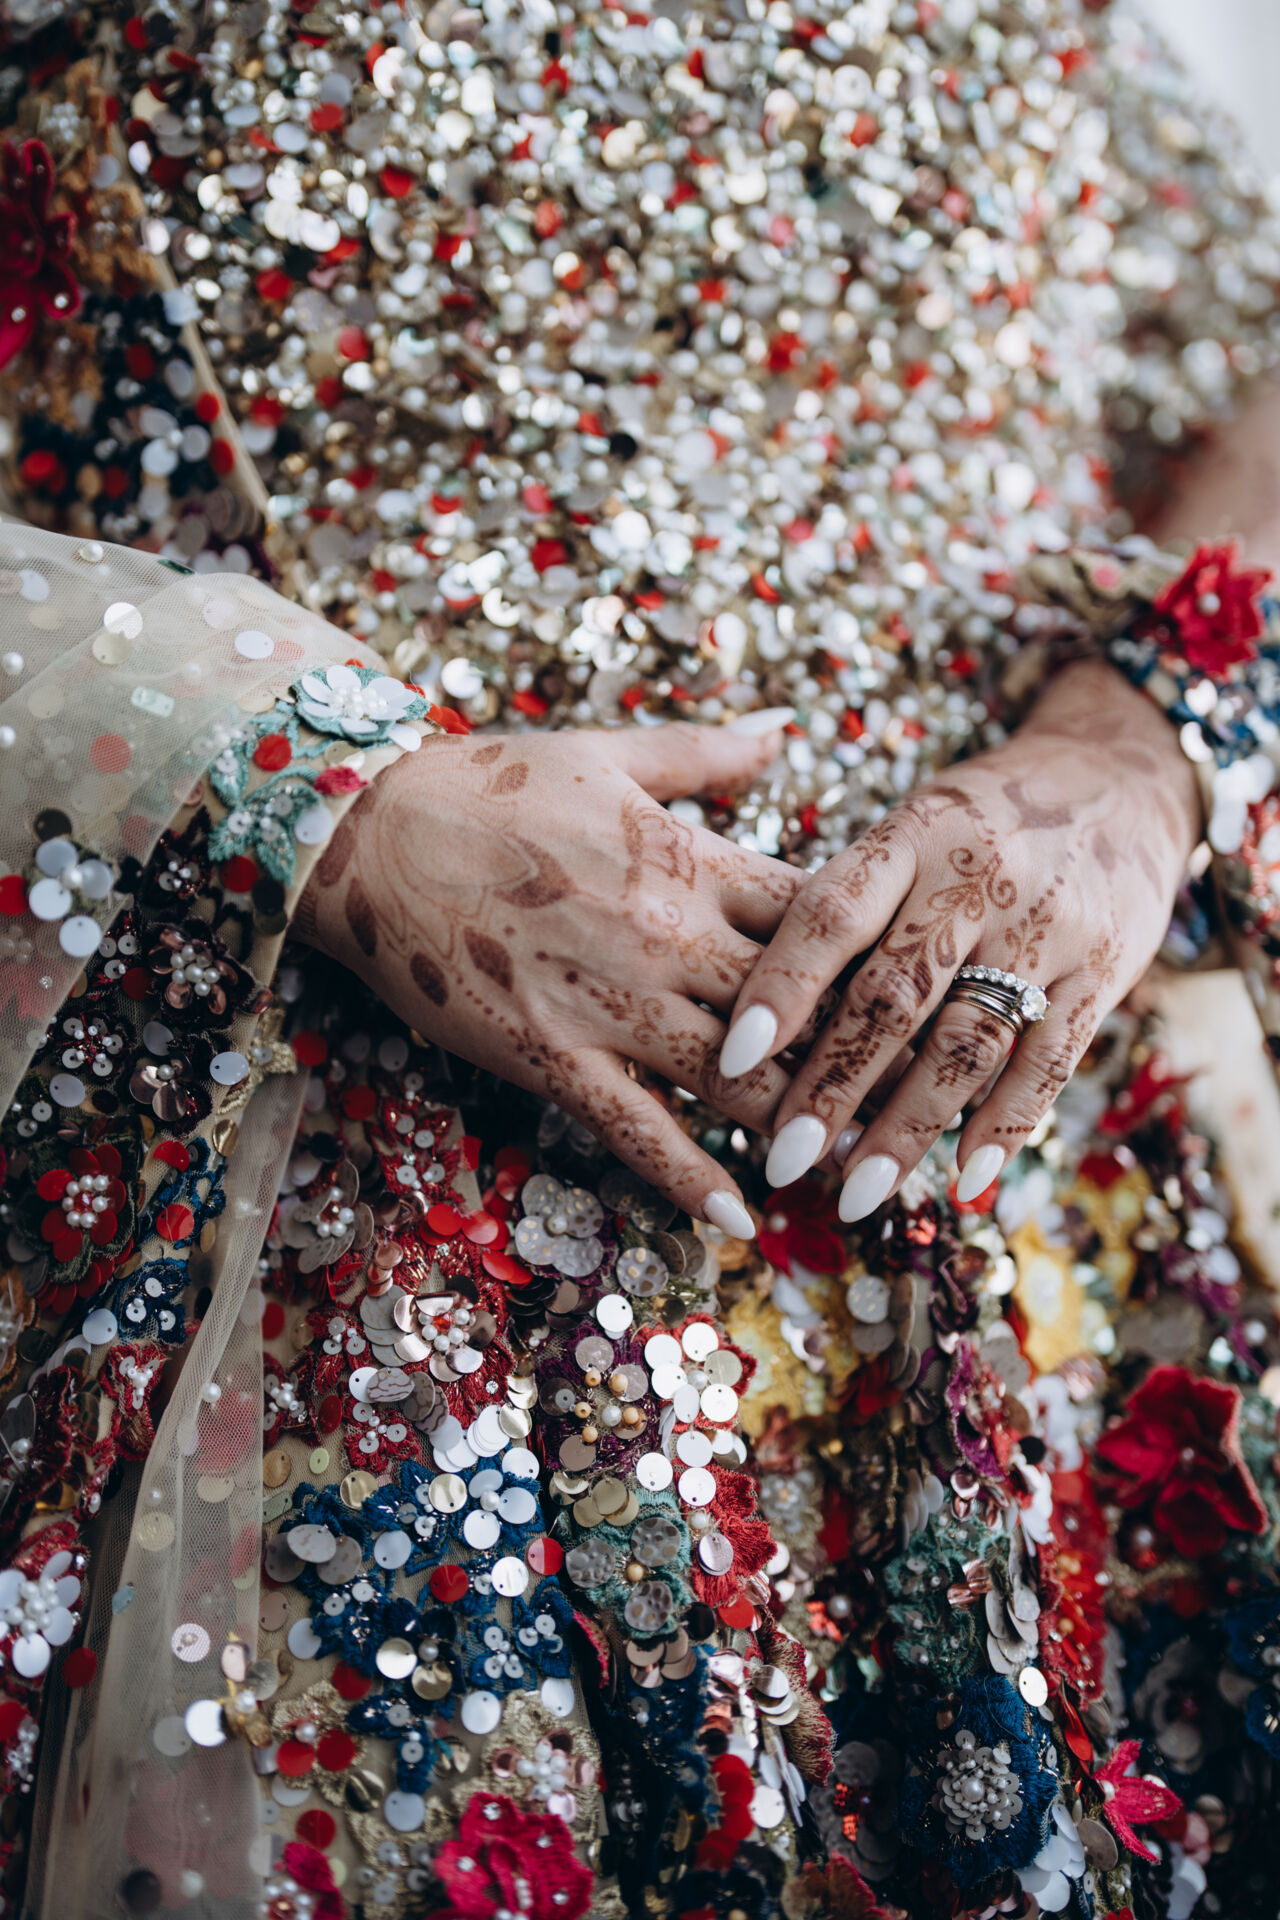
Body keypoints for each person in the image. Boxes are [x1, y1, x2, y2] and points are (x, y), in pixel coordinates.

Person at [0, 2, 1278, 1918]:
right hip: (357, 1221)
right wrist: (326, 790)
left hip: (1030, 1203)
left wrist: (1138, 755)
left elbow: (1243, 339)